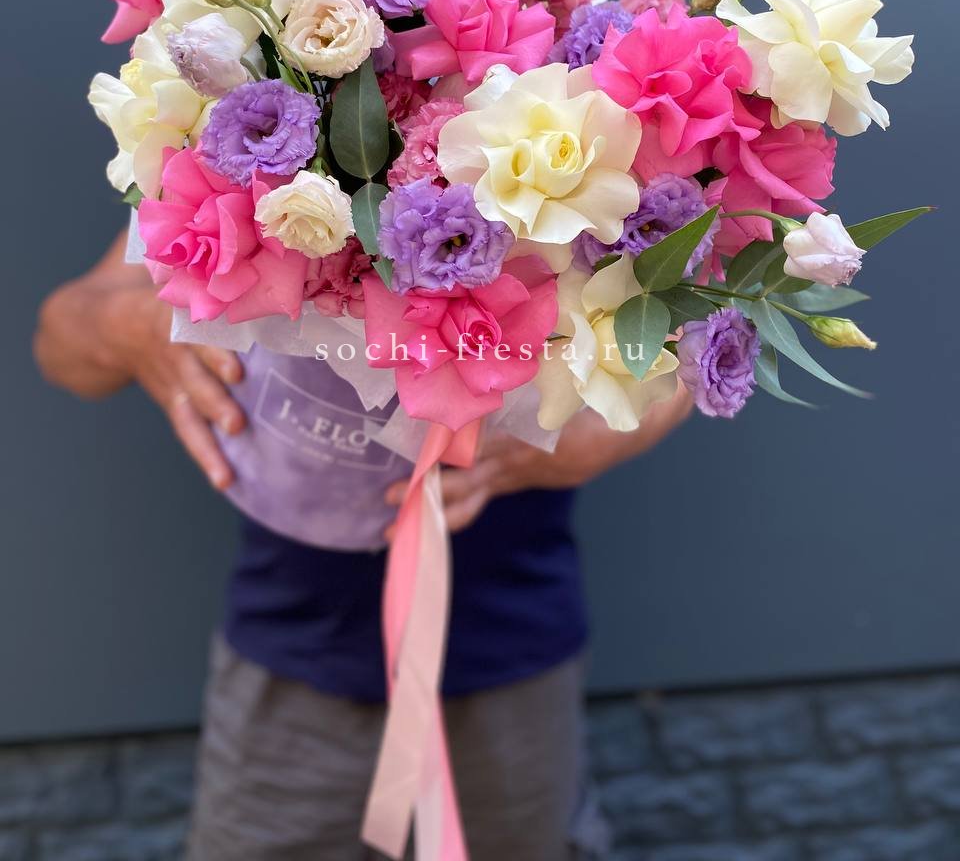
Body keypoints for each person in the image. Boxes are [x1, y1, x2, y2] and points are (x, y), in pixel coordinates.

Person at [35, 230, 693, 860]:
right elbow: (58, 342)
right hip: (288, 667)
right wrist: (138, 328)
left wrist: (598, 437)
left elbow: (683, 354)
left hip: (509, 666)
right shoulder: (253, 165)